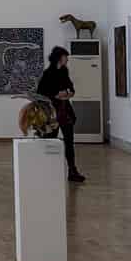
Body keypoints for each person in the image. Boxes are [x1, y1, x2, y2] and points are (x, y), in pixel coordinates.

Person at [37, 46, 86, 183]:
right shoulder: (48, 73)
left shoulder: (64, 71)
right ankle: (48, 170)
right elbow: (40, 92)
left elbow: (70, 86)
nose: (67, 59)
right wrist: (56, 95)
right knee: (50, 140)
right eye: (65, 57)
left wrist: (70, 92)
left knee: (69, 142)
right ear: (59, 58)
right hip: (52, 112)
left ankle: (72, 171)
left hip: (65, 111)